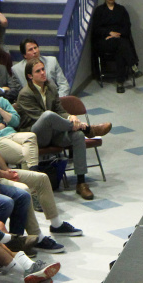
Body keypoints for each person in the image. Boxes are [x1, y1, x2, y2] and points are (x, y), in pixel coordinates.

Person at [0, 89, 80, 245]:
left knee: (41, 178)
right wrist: (2, 174)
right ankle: (37, 237)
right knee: (24, 190)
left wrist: (7, 171)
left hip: (0, 172)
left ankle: (56, 224)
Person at [14, 58, 111, 200]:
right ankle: (88, 129)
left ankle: (81, 182)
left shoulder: (51, 87)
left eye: (43, 69)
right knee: (47, 116)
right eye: (38, 71)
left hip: (55, 132)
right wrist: (71, 123)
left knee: (77, 136)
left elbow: (60, 110)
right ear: (30, 76)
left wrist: (71, 116)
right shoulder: (25, 94)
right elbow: (40, 118)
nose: (42, 73)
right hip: (35, 136)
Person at [89, 0, 140, 91]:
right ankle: (133, 66)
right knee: (122, 44)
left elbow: (127, 27)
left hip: (120, 41)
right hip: (105, 42)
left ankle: (120, 83)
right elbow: (96, 29)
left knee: (120, 48)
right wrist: (109, 33)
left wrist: (117, 34)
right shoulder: (99, 11)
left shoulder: (121, 10)